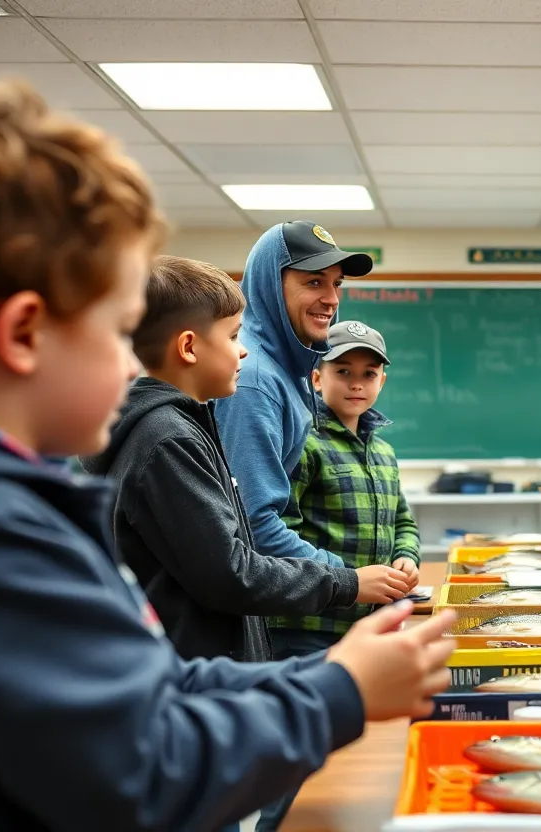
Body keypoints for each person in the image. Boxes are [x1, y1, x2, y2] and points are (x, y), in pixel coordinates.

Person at [0, 66, 456, 832]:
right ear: (25, 334)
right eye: (119, 328)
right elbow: (139, 769)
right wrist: (340, 689)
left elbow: (154, 684)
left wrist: (334, 670)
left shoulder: (20, 503)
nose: (135, 362)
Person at [82, 256, 366, 663]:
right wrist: (345, 583)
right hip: (194, 675)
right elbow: (232, 573)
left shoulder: (186, 425)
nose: (244, 352)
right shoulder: (168, 440)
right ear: (189, 347)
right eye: (234, 337)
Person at [214, 220, 382, 571]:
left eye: (337, 284)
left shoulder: (287, 368)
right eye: (314, 281)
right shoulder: (254, 379)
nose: (332, 299)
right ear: (272, 286)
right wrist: (347, 578)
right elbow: (253, 525)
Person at [272, 320, 421, 659]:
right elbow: (279, 531)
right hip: (309, 629)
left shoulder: (383, 452)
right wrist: (346, 580)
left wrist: (406, 557)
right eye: (343, 371)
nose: (357, 384)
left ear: (381, 382)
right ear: (316, 378)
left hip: (371, 625)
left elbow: (404, 522)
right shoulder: (304, 443)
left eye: (369, 374)